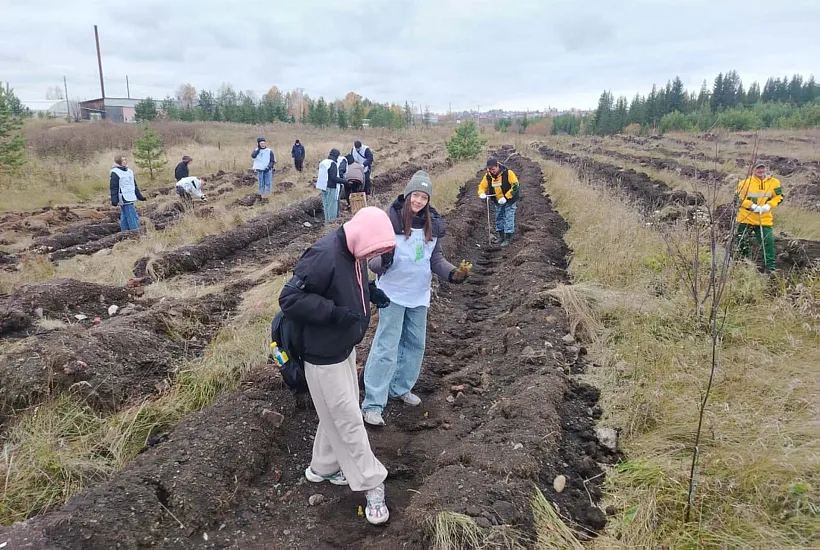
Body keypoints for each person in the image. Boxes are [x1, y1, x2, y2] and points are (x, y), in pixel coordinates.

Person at [278, 206, 396, 526]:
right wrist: (333, 313)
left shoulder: (353, 248)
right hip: (322, 356)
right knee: (347, 419)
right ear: (362, 236)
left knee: (340, 410)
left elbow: (347, 284)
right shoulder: (324, 255)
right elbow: (289, 299)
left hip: (342, 349)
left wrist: (370, 291)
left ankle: (324, 467)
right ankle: (372, 483)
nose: (371, 257)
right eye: (372, 250)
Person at [362, 171, 470, 426]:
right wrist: (385, 260)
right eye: (416, 195)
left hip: (419, 295)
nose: (419, 201)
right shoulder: (390, 221)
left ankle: (400, 388)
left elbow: (435, 259)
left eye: (424, 197)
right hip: (392, 294)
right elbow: (372, 262)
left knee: (415, 344)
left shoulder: (432, 225)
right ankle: (373, 404)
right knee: (386, 347)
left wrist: (453, 274)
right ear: (408, 194)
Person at [735, 160, 783, 272]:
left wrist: (769, 205)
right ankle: (743, 265)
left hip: (764, 219)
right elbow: (737, 199)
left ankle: (770, 268)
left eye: (762, 168)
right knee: (742, 241)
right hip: (746, 218)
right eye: (758, 168)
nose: (760, 170)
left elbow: (779, 197)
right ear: (752, 169)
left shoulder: (774, 182)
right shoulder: (744, 183)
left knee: (768, 242)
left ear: (765, 168)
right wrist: (751, 206)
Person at [478, 156, 520, 247]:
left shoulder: (508, 173)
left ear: (497, 166)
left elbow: (516, 186)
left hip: (509, 200)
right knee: (499, 218)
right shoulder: (488, 176)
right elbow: (482, 186)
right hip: (498, 200)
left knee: (508, 217)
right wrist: (481, 193)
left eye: (493, 169)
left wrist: (506, 197)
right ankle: (501, 236)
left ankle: (507, 238)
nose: (491, 171)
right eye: (490, 169)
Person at [110, 154, 147, 232]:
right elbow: (114, 187)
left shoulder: (129, 171)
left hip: (131, 195)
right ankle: (136, 232)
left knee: (124, 216)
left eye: (125, 160)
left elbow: (134, 185)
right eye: (122, 160)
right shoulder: (115, 172)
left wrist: (139, 196)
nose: (125, 161)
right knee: (132, 215)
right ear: (118, 162)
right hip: (124, 196)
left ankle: (124, 232)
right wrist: (114, 200)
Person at [316, 149, 346, 222]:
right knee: (332, 206)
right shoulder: (333, 164)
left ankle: (327, 221)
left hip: (323, 187)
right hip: (331, 188)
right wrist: (345, 181)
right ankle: (331, 223)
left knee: (326, 206)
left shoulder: (324, 162)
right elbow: (333, 178)